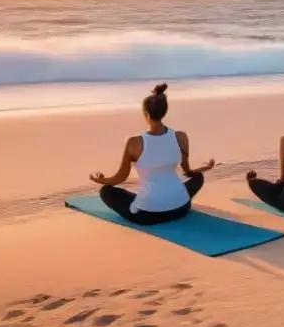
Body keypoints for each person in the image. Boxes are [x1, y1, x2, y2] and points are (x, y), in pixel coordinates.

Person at [90, 83, 215, 225]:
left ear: (147, 114)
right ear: (164, 112)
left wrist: (100, 180)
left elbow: (120, 178)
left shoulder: (134, 142)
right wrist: (204, 168)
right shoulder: (181, 137)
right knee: (197, 177)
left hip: (148, 214)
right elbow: (188, 170)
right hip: (182, 207)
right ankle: (173, 196)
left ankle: (153, 199)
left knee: (106, 191)